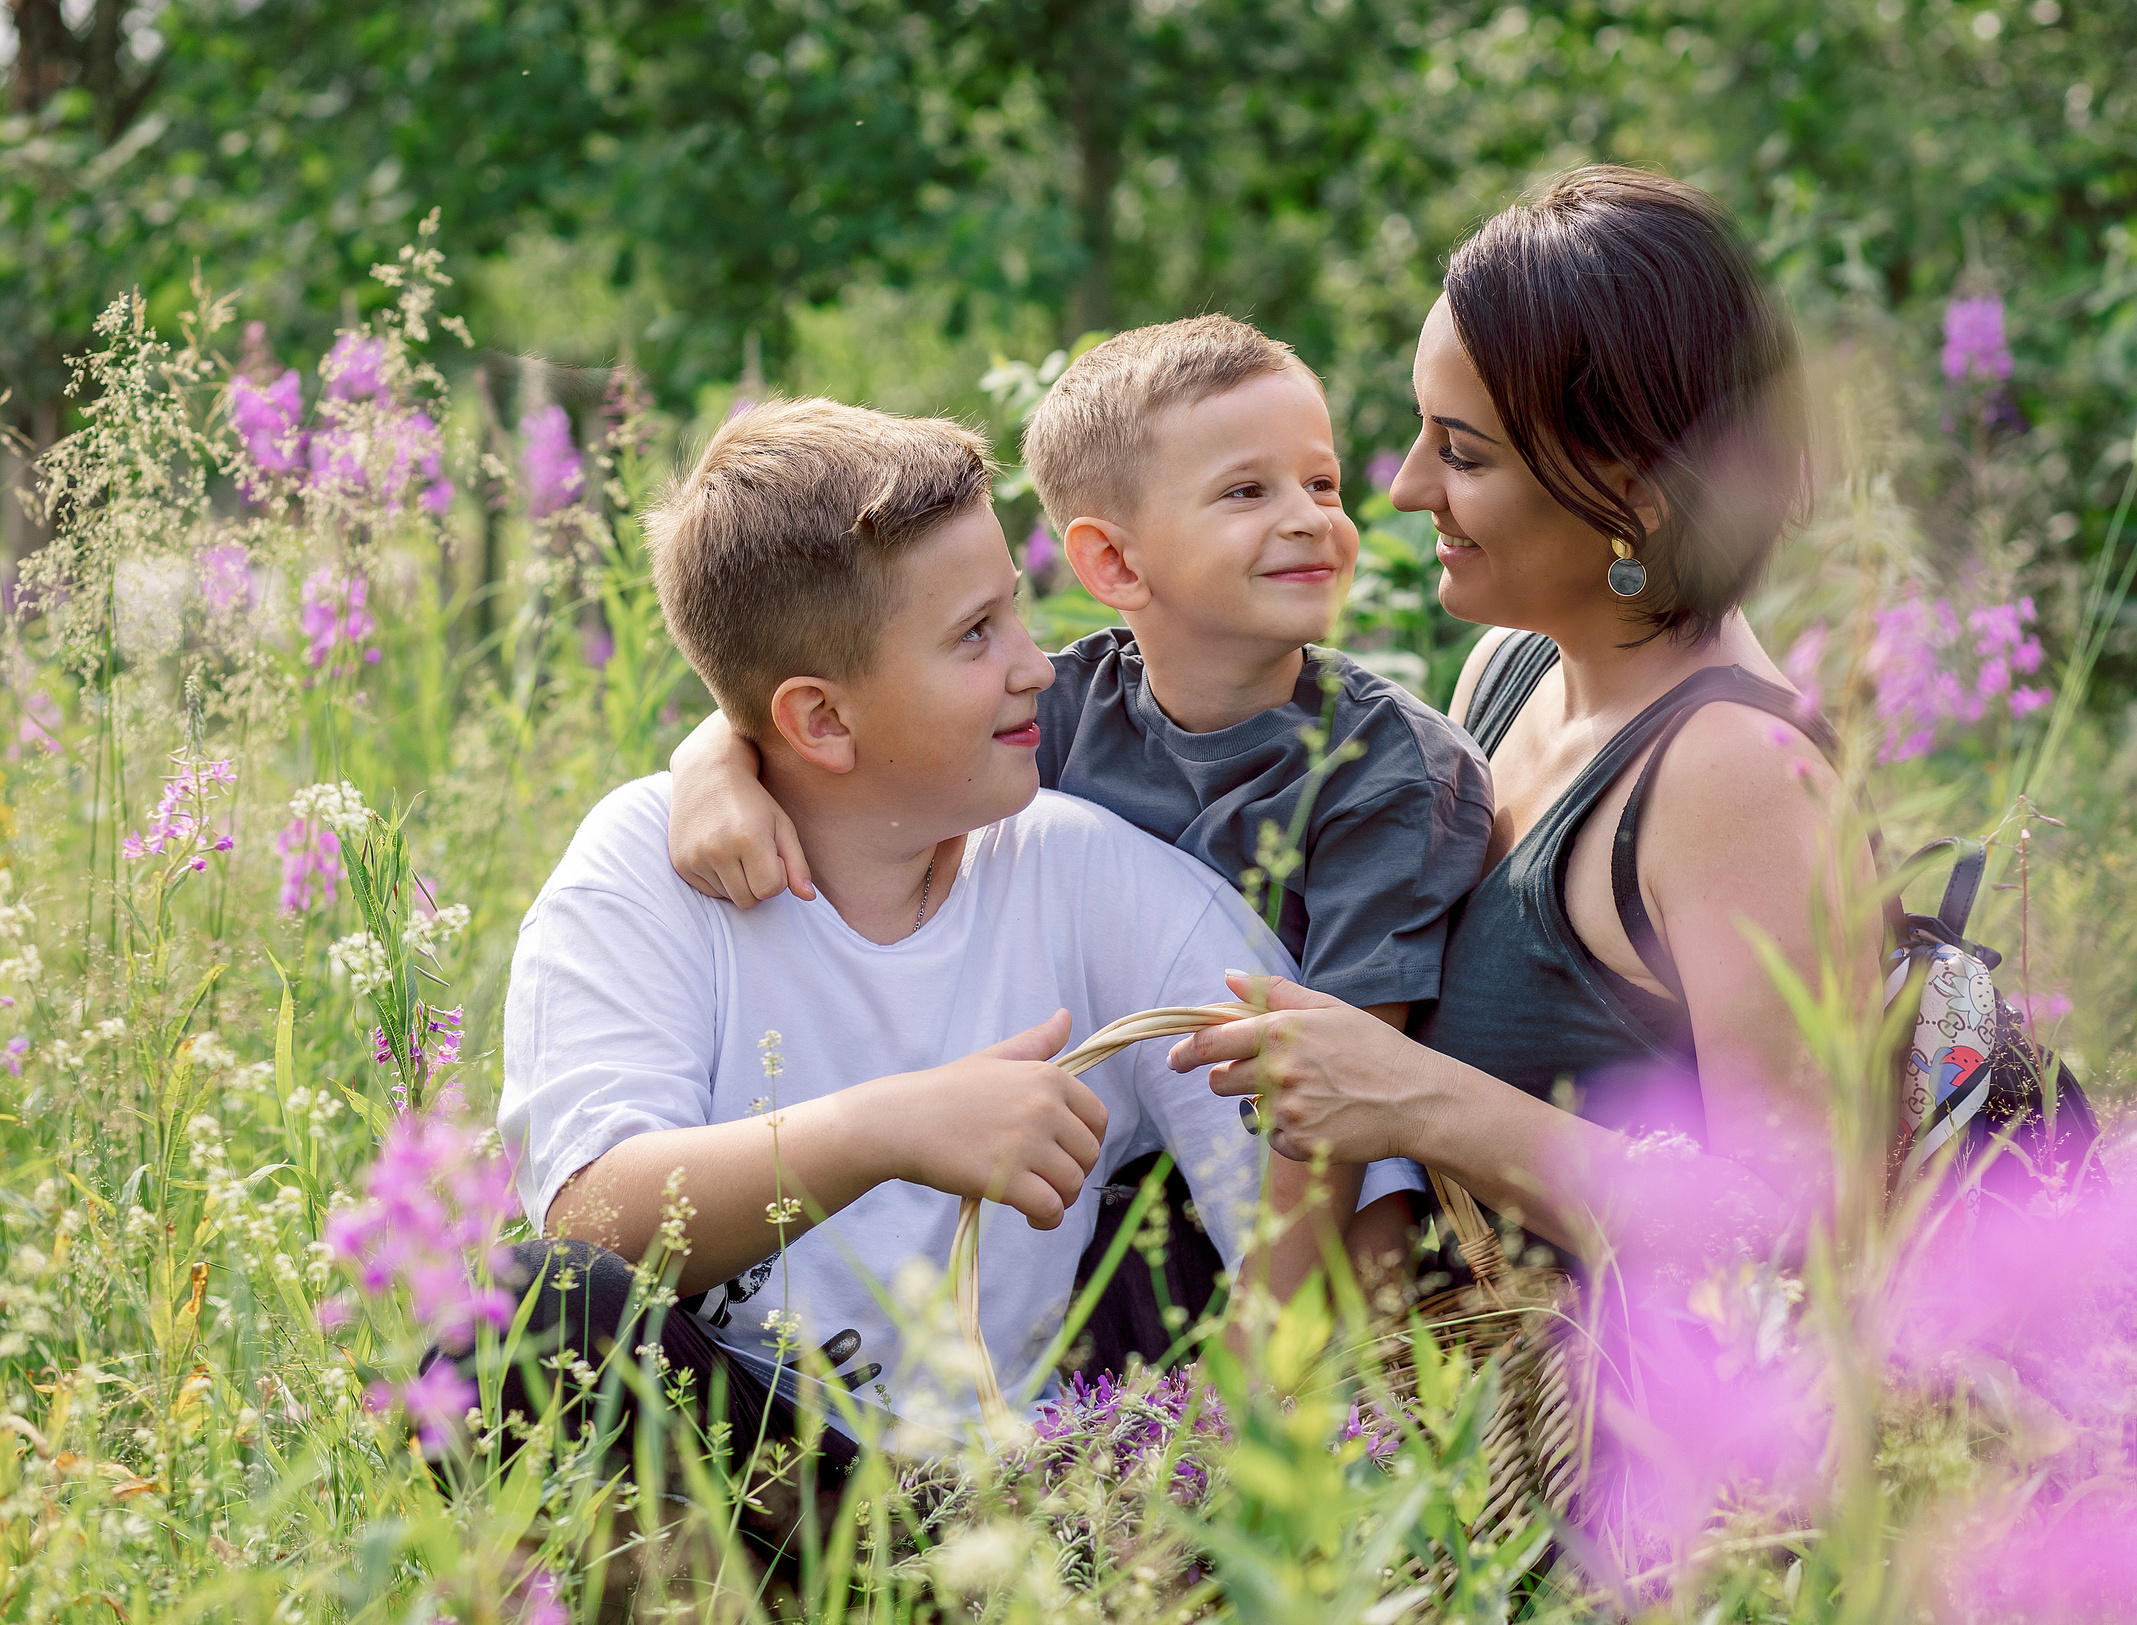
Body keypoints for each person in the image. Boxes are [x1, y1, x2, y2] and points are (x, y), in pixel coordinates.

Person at [476, 399, 1305, 1506]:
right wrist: (889, 1127)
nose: (1036, 669)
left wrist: (1223, 1464)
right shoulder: (642, 867)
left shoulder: (1086, 873)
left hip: (1021, 1502)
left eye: (1016, 614)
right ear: (819, 722)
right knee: (526, 1318)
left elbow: (1322, 1164)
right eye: (975, 637)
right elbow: (591, 1222)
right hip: (748, 1489)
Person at [664, 315, 1493, 1319]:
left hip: (1324, 1188)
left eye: (1320, 484)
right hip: (1114, 1182)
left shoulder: (1386, 776)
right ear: (1113, 565)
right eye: (1247, 491)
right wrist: (712, 760)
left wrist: (1268, 1353)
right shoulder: (1058, 711)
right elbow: (851, 718)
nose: (1311, 517)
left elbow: (1347, 1092)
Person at [1165, 165, 1873, 1265]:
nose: (1401, 488)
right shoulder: (1510, 669)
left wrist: (1420, 1102)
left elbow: (1810, 1248)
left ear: (1636, 493)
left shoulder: (1735, 777)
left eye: (1464, 453)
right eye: (1421, 432)